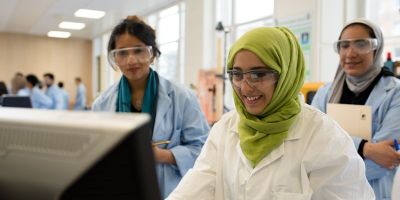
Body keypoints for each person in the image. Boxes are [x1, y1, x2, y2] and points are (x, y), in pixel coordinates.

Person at [167, 27, 375, 199]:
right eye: (237, 75)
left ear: (286, 75)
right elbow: (195, 188)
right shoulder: (225, 129)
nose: (246, 88)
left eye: (258, 74)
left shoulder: (324, 137)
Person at [91, 15, 210, 198]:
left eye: (139, 50)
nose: (131, 60)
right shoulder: (102, 104)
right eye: (122, 53)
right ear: (114, 59)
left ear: (152, 54)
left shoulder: (182, 97)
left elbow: (203, 150)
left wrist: (162, 155)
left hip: (171, 192)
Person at [311, 18, 400, 199]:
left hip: (373, 192)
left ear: (377, 48)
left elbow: (383, 161)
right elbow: (311, 145)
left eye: (361, 44)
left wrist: (329, 159)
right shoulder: (325, 93)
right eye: (344, 45)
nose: (350, 53)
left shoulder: (395, 93)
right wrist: (366, 148)